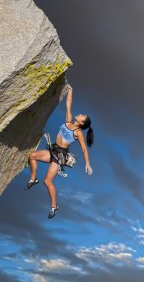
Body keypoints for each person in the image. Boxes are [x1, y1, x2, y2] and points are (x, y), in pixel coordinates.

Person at [25, 85, 93, 218]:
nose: (80, 114)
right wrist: (71, 91)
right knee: (32, 156)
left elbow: (84, 149)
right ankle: (33, 179)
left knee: (47, 181)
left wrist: (87, 163)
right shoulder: (68, 120)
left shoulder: (78, 133)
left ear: (82, 123)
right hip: (53, 149)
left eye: (82, 116)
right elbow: (68, 104)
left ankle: (54, 206)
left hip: (59, 156)